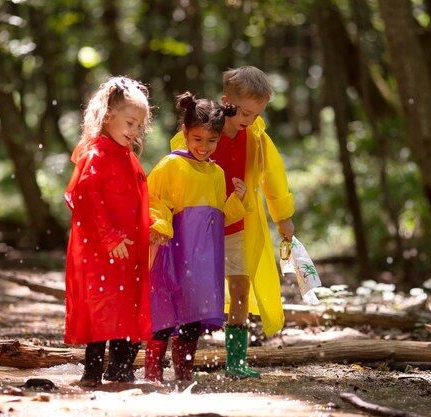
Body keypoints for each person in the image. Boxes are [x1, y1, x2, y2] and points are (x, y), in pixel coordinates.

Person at [170, 66, 295, 379]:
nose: (249, 120)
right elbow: (176, 171)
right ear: (226, 101)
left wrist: (283, 217)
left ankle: (236, 361)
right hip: (202, 230)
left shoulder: (256, 139)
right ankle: (183, 362)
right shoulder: (201, 130)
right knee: (194, 291)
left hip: (239, 225)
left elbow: (273, 178)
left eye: (256, 114)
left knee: (240, 287)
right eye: (245, 112)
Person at [146, 92, 250, 382]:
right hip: (173, 253)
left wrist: (236, 199)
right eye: (197, 139)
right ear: (185, 133)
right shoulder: (170, 165)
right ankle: (152, 376)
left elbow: (219, 217)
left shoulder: (216, 173)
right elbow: (153, 200)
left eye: (211, 141)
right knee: (165, 316)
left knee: (192, 320)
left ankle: (184, 376)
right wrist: (160, 227)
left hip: (204, 261)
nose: (204, 147)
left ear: (219, 137)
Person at [63, 76, 153, 388]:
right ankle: (92, 373)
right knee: (103, 305)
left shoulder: (125, 154)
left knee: (126, 303)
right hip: (102, 249)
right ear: (108, 116)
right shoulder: (97, 153)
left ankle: (121, 370)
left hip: (128, 250)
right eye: (130, 122)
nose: (134, 131)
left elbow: (138, 199)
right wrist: (109, 236)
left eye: (139, 126)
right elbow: (86, 197)